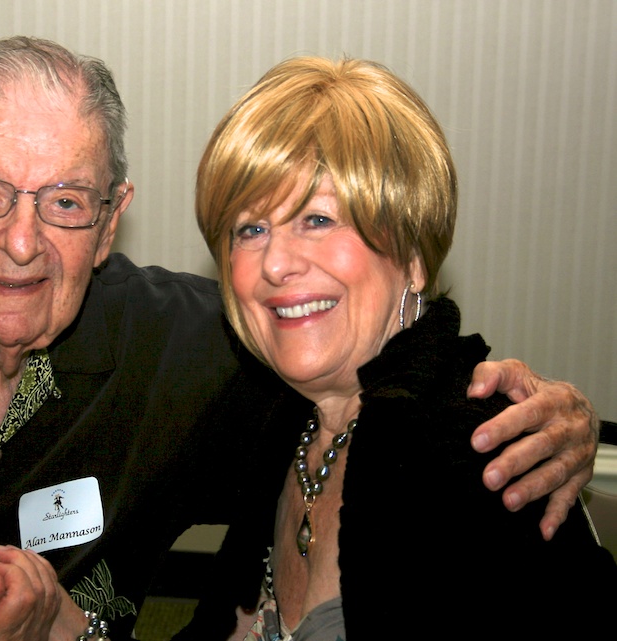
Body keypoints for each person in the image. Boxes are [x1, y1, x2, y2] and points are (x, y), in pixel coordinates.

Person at [0, 36, 601, 641]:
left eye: (65, 201)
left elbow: (394, 399)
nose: (22, 242)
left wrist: (551, 415)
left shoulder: (216, 353)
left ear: (111, 223)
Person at [189, 55, 617, 639]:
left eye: (316, 218)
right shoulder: (280, 424)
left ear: (412, 258)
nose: (277, 262)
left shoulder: (481, 456)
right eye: (250, 229)